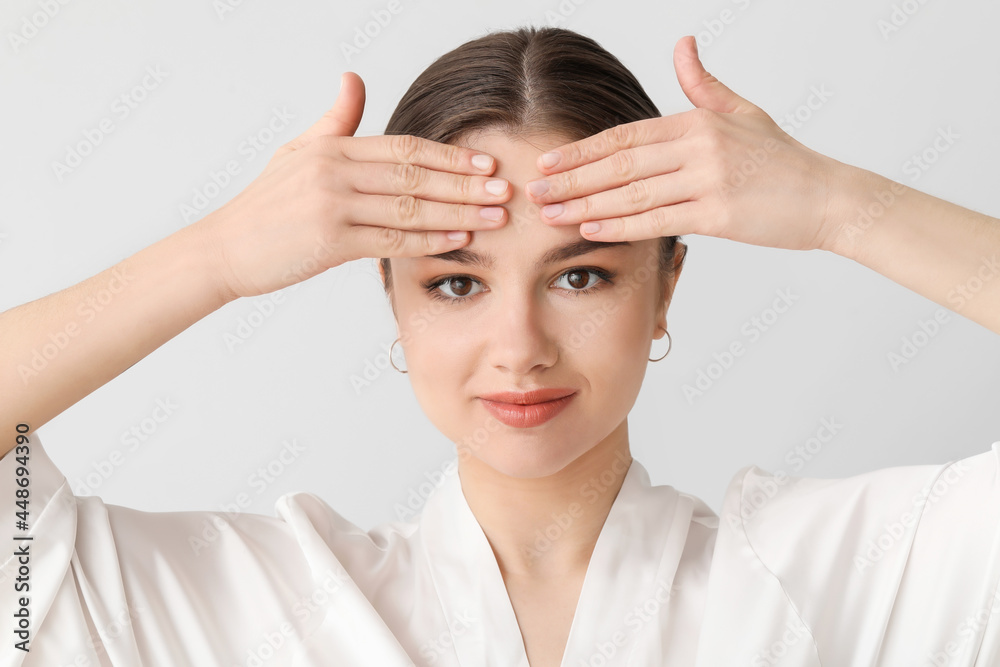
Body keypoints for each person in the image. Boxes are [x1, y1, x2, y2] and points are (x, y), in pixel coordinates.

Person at [2, 25, 999, 667]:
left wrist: (838, 206)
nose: (517, 347)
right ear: (390, 299)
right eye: (454, 282)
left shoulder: (844, 574)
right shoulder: (261, 607)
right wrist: (214, 255)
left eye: (580, 274)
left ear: (666, 286)